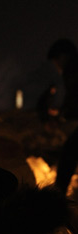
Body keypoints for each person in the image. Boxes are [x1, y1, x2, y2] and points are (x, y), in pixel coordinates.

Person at [47, 38, 78, 195]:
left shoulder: (72, 70)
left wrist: (62, 115)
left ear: (63, 56)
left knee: (70, 153)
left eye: (56, 61)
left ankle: (58, 194)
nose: (56, 66)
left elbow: (75, 97)